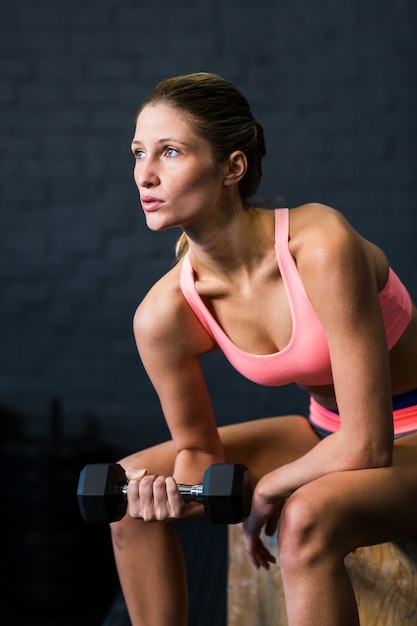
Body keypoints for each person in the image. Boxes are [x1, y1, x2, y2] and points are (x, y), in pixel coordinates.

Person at [110, 72, 417, 626]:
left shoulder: (319, 245)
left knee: (304, 518)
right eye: (137, 153)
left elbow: (369, 445)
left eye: (170, 152)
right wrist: (170, 491)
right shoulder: (164, 315)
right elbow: (198, 452)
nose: (144, 175)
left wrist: (267, 492)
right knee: (125, 493)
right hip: (324, 429)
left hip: (401, 434)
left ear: (232, 167)